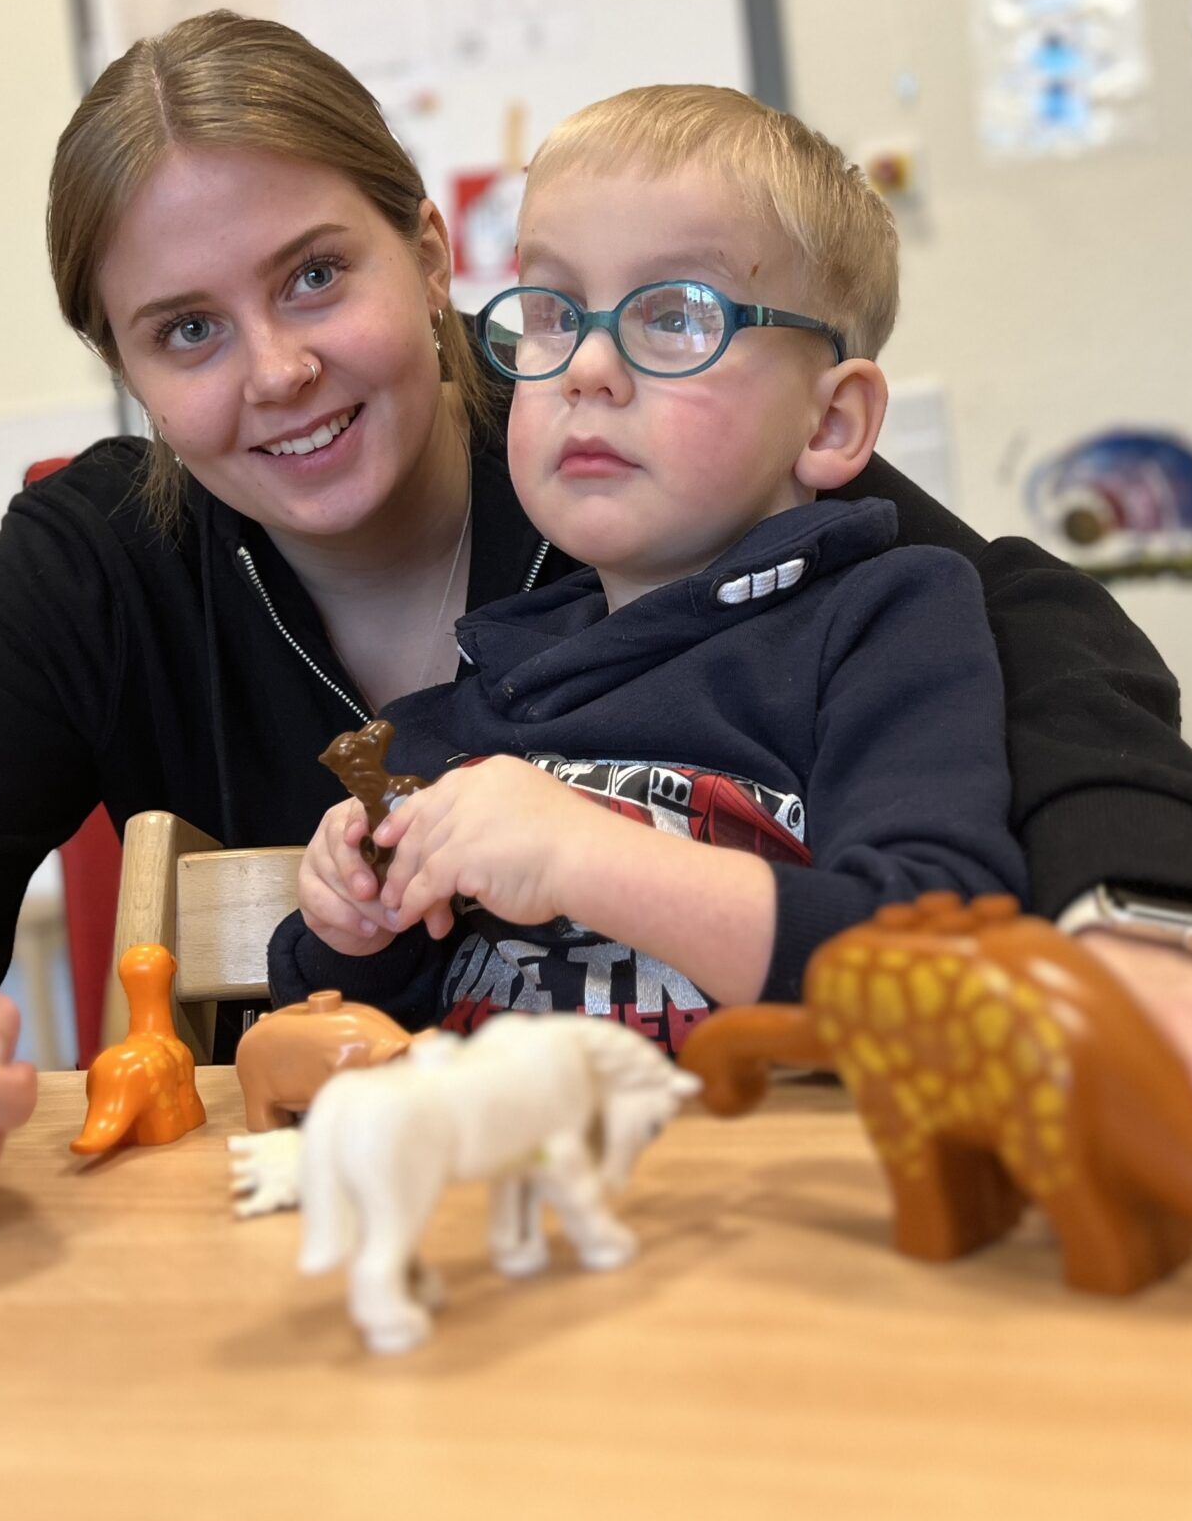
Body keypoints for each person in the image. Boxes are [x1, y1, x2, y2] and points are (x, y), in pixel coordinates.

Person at [0, 12, 1192, 1252]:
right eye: (186, 331)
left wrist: (1144, 933)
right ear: (127, 372)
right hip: (404, 1265)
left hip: (766, 1240)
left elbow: (1019, 625)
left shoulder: (621, 449)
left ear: (427, 247)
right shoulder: (98, 568)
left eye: (317, 276)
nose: (276, 370)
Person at [269, 85, 1025, 1050]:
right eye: (552, 310)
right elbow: (374, 1028)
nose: (587, 365)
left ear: (830, 423)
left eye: (674, 314)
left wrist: (586, 857)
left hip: (775, 1184)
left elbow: (943, 971)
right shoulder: (476, 695)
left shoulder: (889, 623)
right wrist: (352, 927)